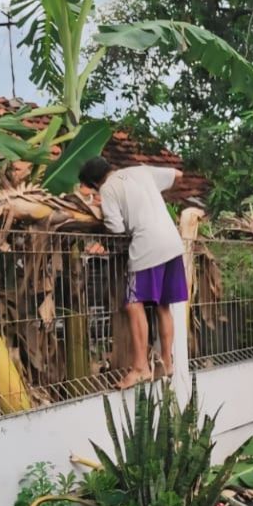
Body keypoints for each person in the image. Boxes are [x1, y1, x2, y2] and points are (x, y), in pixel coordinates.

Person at [79, 157, 187, 388]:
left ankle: (140, 368)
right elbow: (177, 175)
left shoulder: (108, 189)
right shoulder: (141, 171)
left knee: (133, 303)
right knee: (163, 305)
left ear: (94, 183)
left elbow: (115, 227)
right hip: (172, 242)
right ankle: (167, 362)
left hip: (147, 246)